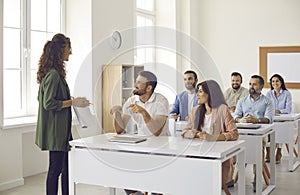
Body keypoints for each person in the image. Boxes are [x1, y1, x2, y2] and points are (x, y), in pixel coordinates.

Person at [35, 33, 90, 195]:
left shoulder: (53, 74)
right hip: (56, 132)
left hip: (62, 131)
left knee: (67, 168)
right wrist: (72, 102)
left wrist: (74, 100)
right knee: (55, 169)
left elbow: (52, 99)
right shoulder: (53, 75)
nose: (70, 52)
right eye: (68, 49)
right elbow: (48, 103)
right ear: (60, 51)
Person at [110, 70, 169, 195]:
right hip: (141, 145)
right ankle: (135, 192)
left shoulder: (161, 101)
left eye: (139, 82)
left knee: (155, 183)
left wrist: (144, 112)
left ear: (148, 88)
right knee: (122, 167)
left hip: (161, 148)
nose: (135, 84)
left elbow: (156, 131)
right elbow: (119, 130)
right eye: (136, 81)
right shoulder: (132, 100)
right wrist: (116, 113)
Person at [181, 80, 239, 194]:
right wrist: (196, 134)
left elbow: (234, 133)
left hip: (217, 156)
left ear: (210, 94)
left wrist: (213, 137)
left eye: (200, 91)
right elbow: (185, 132)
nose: (197, 94)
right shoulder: (196, 110)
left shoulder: (222, 109)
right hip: (198, 153)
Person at [234, 75, 274, 192]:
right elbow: (236, 116)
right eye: (250, 84)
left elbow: (269, 118)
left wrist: (257, 120)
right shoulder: (242, 101)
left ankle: (257, 178)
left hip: (260, 134)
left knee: (257, 147)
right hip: (243, 134)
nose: (251, 87)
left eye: (255, 84)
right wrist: (240, 120)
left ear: (261, 86)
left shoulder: (268, 101)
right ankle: (230, 178)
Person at [266, 74, 292, 164]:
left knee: (279, 127)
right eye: (273, 81)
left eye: (277, 81)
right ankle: (268, 151)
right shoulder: (269, 94)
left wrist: (279, 111)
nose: (275, 83)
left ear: (281, 82)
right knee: (267, 128)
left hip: (283, 120)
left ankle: (279, 151)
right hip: (272, 120)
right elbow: (266, 108)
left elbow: (288, 110)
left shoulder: (287, 93)